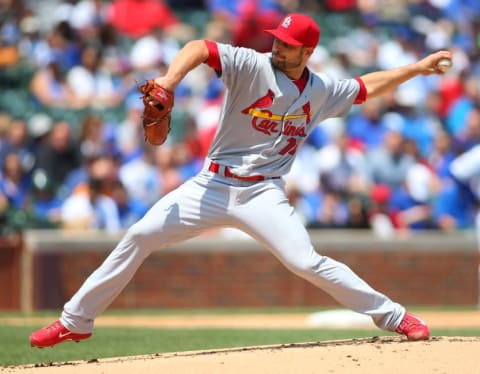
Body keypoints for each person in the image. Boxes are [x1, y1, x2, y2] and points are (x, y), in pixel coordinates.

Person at [29, 13, 451, 348]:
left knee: (305, 262)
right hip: (210, 185)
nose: (276, 45)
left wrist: (416, 68)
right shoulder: (252, 65)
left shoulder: (320, 90)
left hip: (263, 192)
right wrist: (170, 81)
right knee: (139, 235)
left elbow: (364, 86)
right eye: (276, 38)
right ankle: (75, 322)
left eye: (286, 44)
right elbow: (199, 47)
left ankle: (394, 316)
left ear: (306, 51)